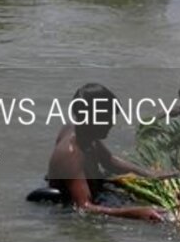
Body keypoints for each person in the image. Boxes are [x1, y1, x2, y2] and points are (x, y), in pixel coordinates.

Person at [39, 82, 166, 221]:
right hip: (71, 209)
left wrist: (149, 174)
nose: (112, 123)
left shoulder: (83, 132)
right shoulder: (71, 154)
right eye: (107, 118)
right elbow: (84, 207)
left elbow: (109, 161)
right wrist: (135, 214)